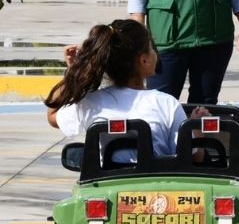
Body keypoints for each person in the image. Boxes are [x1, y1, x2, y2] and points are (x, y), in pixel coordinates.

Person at [44, 19, 189, 158]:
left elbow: (52, 116)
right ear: (144, 60)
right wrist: (194, 131)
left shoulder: (91, 102)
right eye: (151, 48)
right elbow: (192, 157)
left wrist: (75, 71)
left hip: (109, 182)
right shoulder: (167, 104)